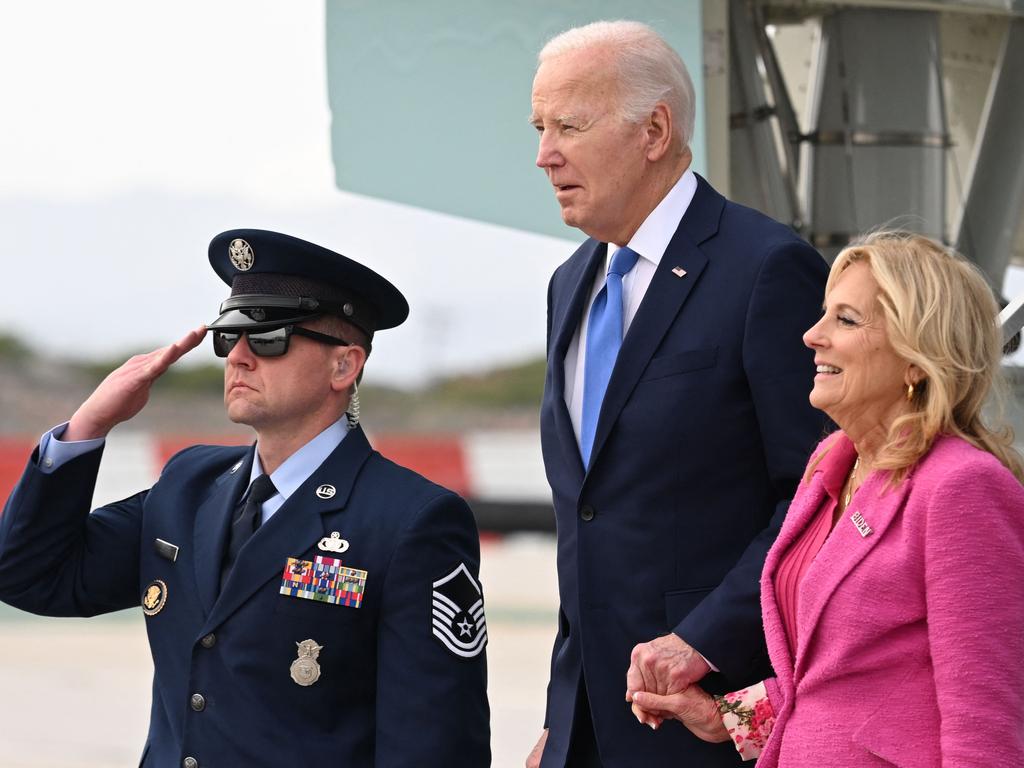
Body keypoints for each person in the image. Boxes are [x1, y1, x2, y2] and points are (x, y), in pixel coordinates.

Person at [0, 229, 491, 767]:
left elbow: (434, 746)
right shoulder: (188, 485)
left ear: (344, 366)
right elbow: (30, 575)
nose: (237, 357)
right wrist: (89, 426)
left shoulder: (411, 520)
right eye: (228, 336)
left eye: (268, 337)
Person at [526, 20, 829, 768]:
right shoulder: (570, 286)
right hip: (592, 726)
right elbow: (590, 518)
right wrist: (563, 719)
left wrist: (706, 640)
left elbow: (818, 492)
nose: (545, 155)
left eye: (570, 125)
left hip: (710, 720)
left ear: (654, 130)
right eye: (539, 128)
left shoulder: (766, 269)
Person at [633, 232, 1024, 765]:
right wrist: (727, 718)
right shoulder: (831, 465)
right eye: (824, 315)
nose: (812, 336)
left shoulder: (962, 487)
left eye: (845, 319)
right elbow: (836, 679)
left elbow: (986, 727)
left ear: (917, 356)